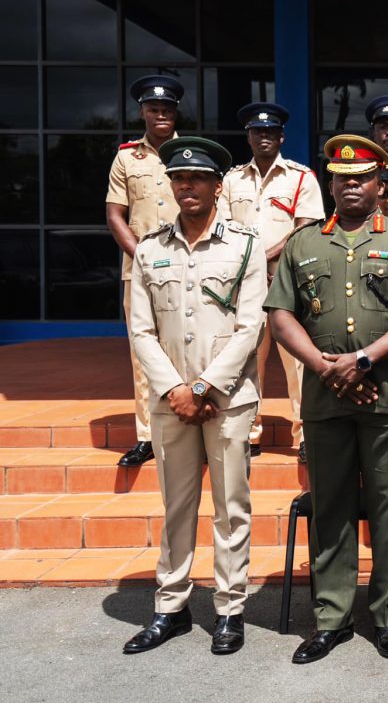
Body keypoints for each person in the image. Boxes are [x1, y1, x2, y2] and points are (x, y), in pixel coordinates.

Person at [266, 135, 388, 664]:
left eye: (362, 177)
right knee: (331, 508)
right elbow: (280, 316)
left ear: (379, 181)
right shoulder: (303, 244)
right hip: (325, 398)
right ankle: (331, 618)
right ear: (330, 181)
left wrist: (362, 360)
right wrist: (325, 367)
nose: (351, 185)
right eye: (342, 177)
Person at [123, 137, 265, 656]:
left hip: (227, 399)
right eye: (179, 179)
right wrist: (176, 389)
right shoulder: (149, 248)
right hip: (170, 401)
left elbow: (252, 325)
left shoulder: (244, 245)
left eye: (198, 178)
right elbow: (140, 331)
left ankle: (229, 610)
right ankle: (171, 607)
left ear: (216, 186)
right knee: (176, 506)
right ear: (171, 185)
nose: (188, 186)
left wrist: (204, 386)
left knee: (232, 508)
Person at [219, 102, 324, 460]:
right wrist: (247, 261)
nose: (264, 137)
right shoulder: (232, 179)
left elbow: (308, 227)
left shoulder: (300, 177)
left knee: (298, 359)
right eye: (257, 132)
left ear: (281, 136)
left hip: (288, 281)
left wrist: (264, 255)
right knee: (248, 357)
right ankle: (249, 432)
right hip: (244, 285)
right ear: (248, 137)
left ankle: (306, 432)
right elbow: (223, 228)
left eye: (270, 132)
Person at [105, 74, 184, 468]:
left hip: (188, 266)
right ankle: (147, 435)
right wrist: (142, 256)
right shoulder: (125, 158)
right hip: (139, 270)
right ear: (142, 112)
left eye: (167, 110)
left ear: (175, 113)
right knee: (143, 351)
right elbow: (115, 215)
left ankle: (188, 427)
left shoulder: (190, 152)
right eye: (154, 109)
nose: (160, 115)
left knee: (188, 344)